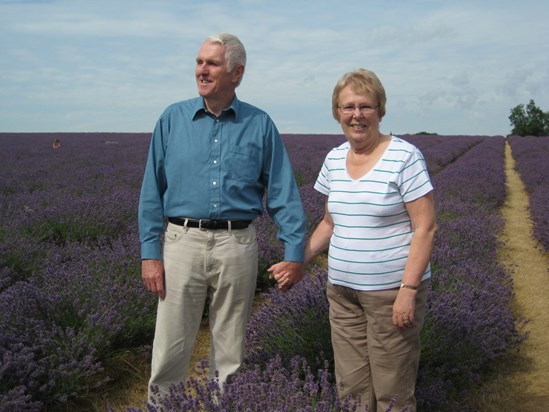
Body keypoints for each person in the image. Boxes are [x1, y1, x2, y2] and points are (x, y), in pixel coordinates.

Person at [138, 33, 306, 403]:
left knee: (230, 350)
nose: (202, 70)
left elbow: (282, 191)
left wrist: (294, 251)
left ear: (236, 72)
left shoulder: (259, 124)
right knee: (170, 346)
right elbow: (152, 191)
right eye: (199, 62)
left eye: (211, 64)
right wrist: (150, 253)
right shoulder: (172, 119)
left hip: (238, 243)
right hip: (182, 242)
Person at [270, 69, 436, 411]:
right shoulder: (333, 159)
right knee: (352, 389)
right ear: (337, 112)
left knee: (392, 391)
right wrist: (298, 260)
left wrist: (408, 291)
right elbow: (330, 222)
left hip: (390, 294)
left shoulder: (404, 157)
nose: (356, 115)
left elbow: (426, 228)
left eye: (365, 106)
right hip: (342, 293)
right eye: (348, 107)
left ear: (380, 110)